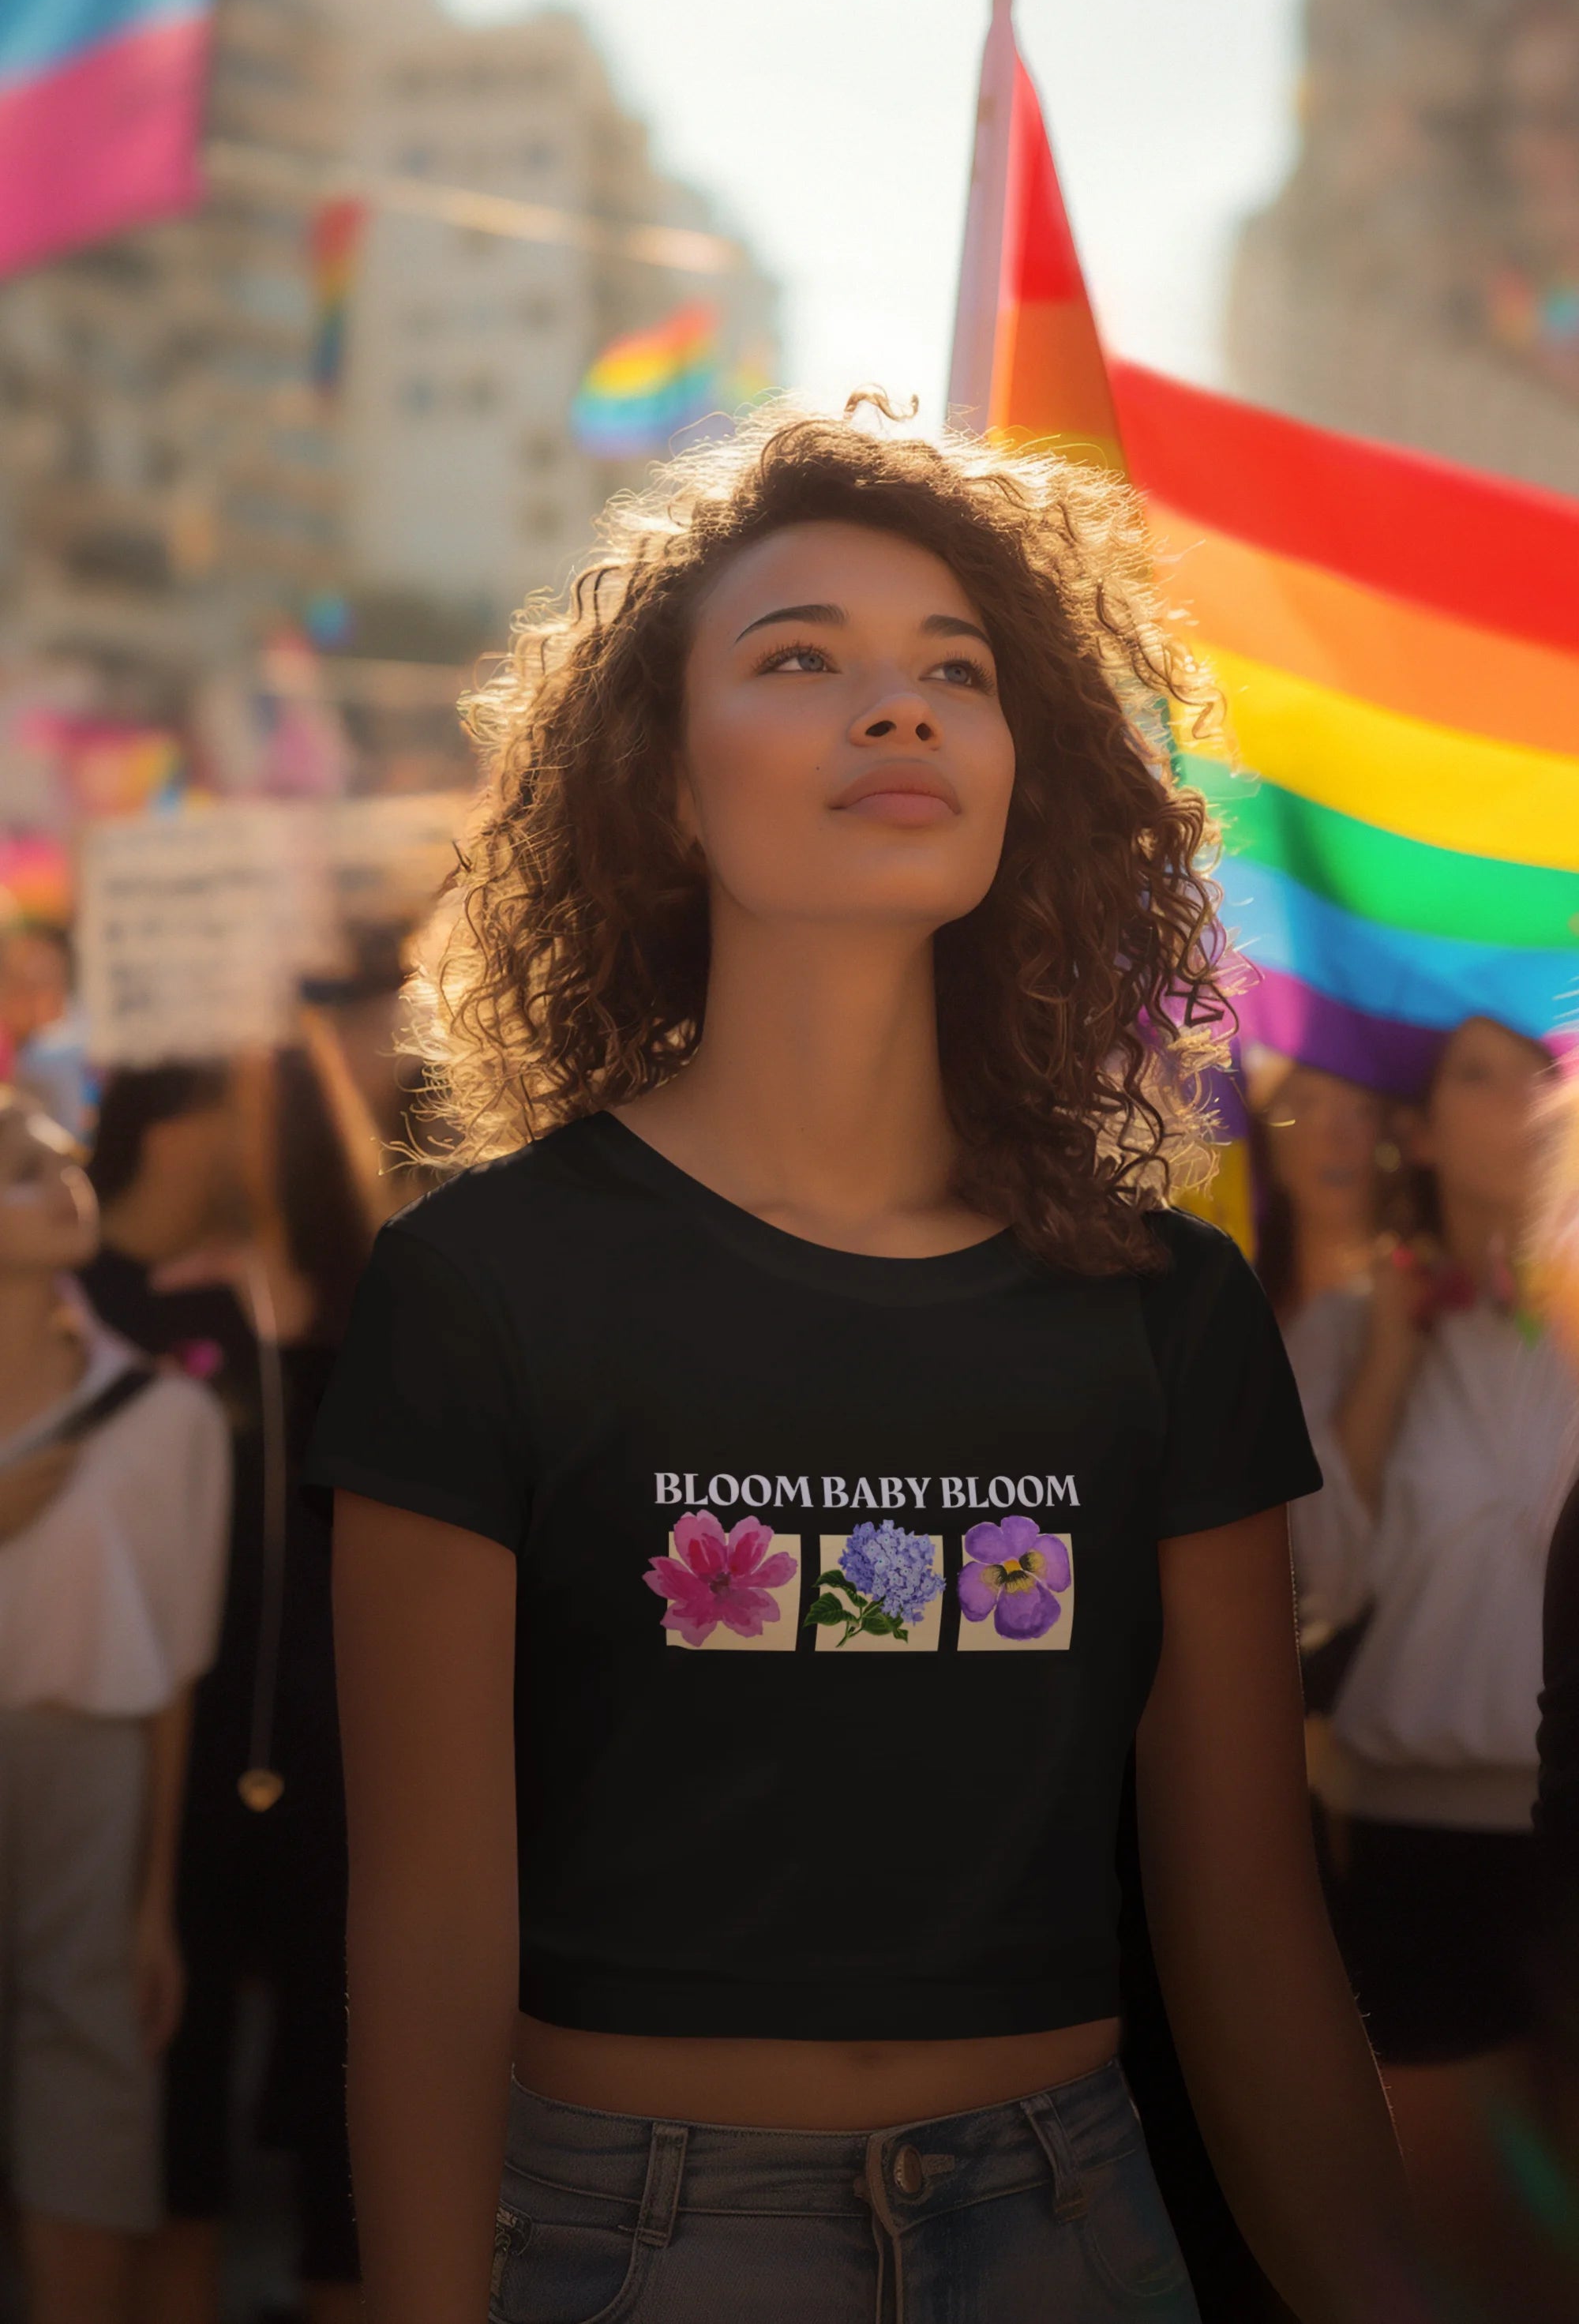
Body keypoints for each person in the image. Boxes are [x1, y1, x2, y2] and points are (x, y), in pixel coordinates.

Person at [309, 399, 1416, 2324]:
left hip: (1070, 2228)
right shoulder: (477, 1287)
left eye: (952, 674)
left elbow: (1241, 1928)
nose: (894, 712)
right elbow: (422, 1935)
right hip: (626, 2246)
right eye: (798, 659)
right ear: (660, 787)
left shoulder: (1167, 1310)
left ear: (1022, 774)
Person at [1287, 1016, 1577, 2299]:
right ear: (1414, 1121)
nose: (1522, 1093)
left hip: (1569, 1829)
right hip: (1415, 1839)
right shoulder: (1351, 1327)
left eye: (1543, 1064)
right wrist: (1391, 1355)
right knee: (1464, 2241)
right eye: (1478, 1068)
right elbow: (1309, 1581)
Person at [81, 1055, 369, 2324]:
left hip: (348, 1748)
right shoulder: (86, 1301)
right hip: (160, 1745)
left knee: (349, 2101)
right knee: (165, 2097)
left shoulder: (379, 1291)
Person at [0, 1091, 228, 2324]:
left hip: (91, 1766)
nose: (64, 1186)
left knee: (89, 2064)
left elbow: (173, 1673)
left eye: (64, 1163)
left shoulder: (166, 1417)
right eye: (19, 1172)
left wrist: (156, 1899)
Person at [1250, 1063, 1391, 1326]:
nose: (1336, 1138)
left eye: (1362, 1111)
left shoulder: (1421, 1299)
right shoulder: (1233, 1297)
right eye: (1306, 1106)